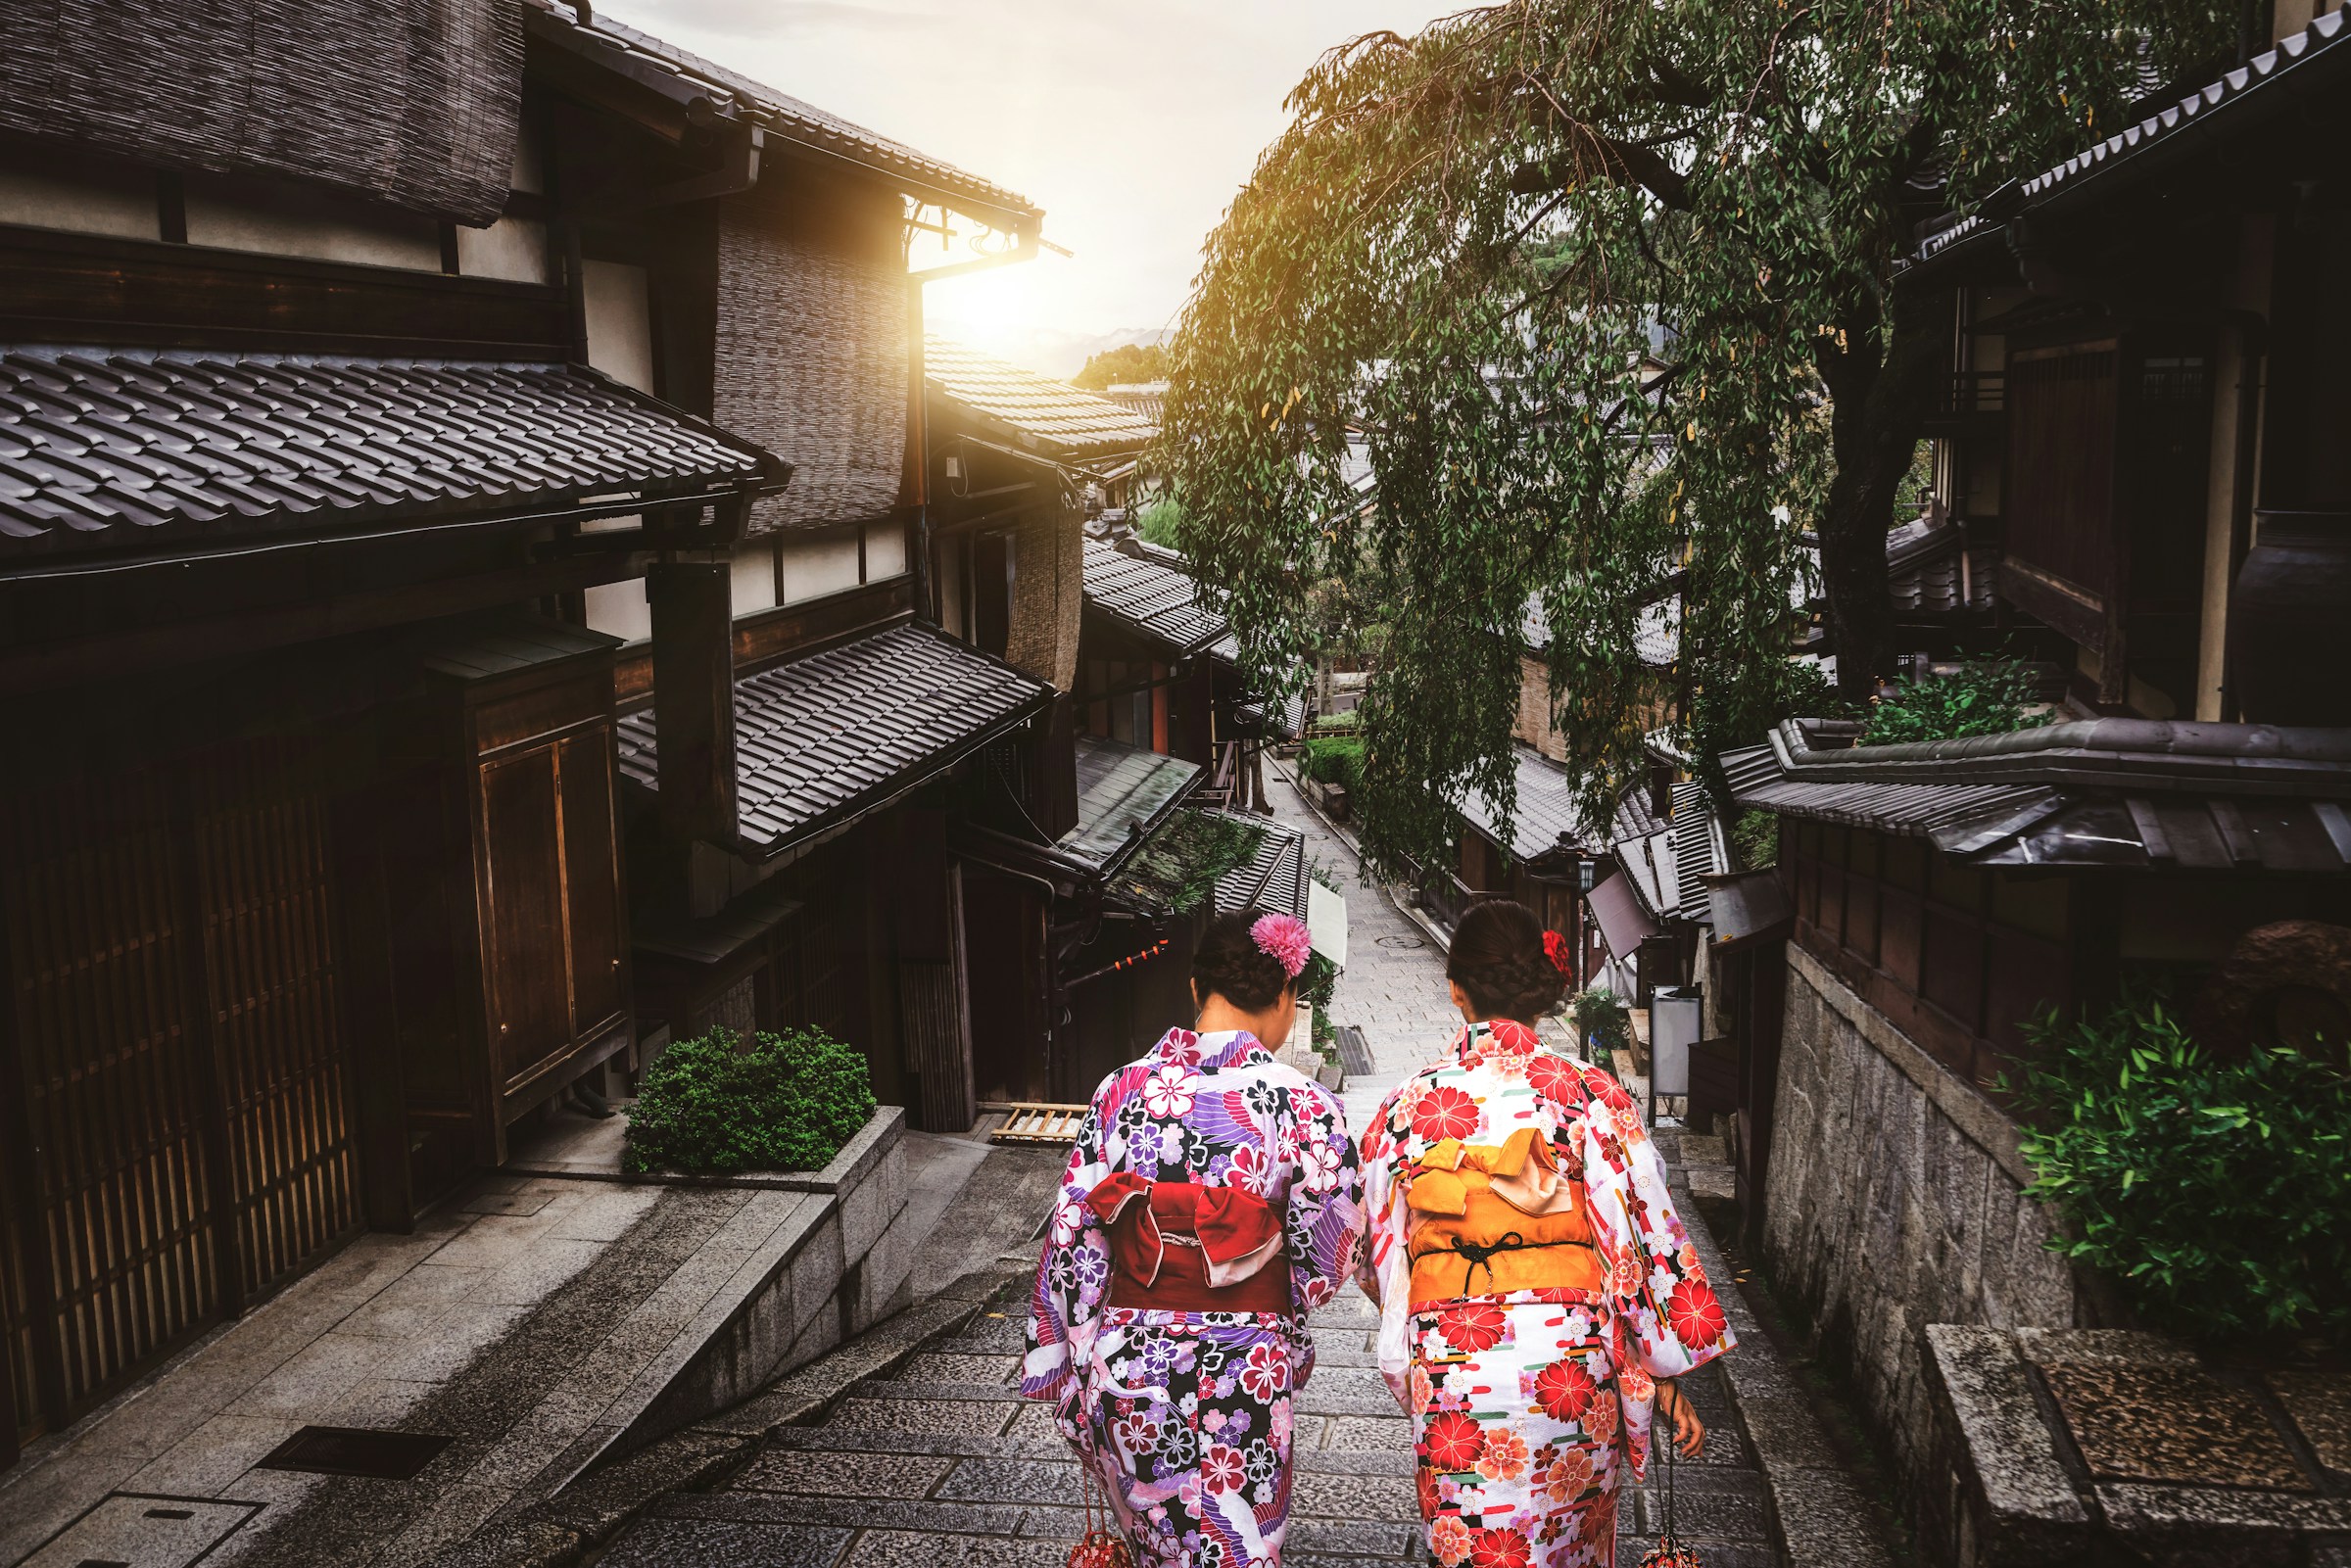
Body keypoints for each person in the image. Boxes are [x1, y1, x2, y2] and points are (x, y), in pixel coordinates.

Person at [1357, 901, 1732, 1568]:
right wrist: (1658, 1367)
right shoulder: (1588, 1093)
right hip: (1570, 1356)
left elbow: (1375, 1250)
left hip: (1454, 1358)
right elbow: (1641, 1234)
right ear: (1538, 985)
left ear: (1455, 987)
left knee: (1476, 1545)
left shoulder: (1406, 1107)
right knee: (1569, 1547)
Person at [1024, 908, 1365, 1568]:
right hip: (1247, 1368)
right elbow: (1329, 1251)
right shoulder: (1303, 1103)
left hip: (1133, 1367)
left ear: (1193, 986)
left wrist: (1069, 1356)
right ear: (1285, 998)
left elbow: (1074, 1236)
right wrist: (1267, 1293)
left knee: (1158, 1547)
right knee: (1239, 1546)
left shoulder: (1119, 1091)